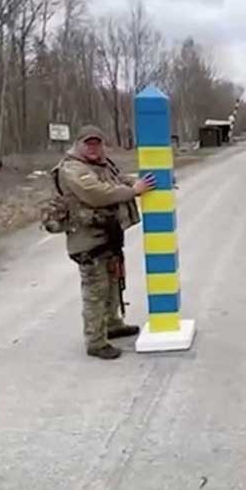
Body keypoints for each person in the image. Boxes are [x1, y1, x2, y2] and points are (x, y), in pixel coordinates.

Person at [54, 125, 156, 360]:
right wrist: (134, 191)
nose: (93, 148)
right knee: (95, 289)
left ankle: (112, 323)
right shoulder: (73, 168)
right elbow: (98, 194)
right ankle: (95, 341)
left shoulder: (101, 164)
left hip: (107, 234)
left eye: (97, 143)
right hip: (87, 239)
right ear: (78, 144)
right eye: (88, 143)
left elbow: (119, 180)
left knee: (113, 280)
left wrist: (145, 184)